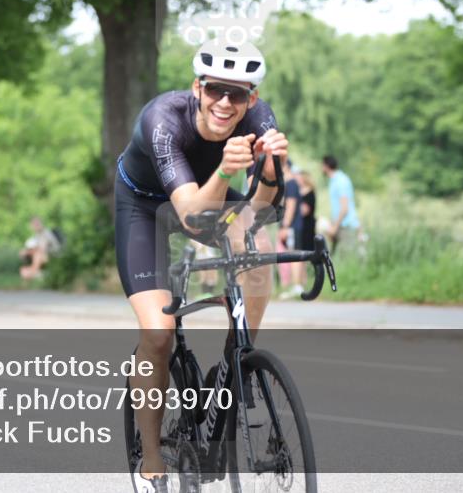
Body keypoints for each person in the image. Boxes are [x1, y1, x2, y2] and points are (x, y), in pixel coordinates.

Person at [116, 38, 287, 492]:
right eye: (215, 90)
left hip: (209, 192)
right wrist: (228, 171)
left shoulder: (259, 118)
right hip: (145, 208)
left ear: (251, 97)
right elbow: (191, 213)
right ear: (197, 88)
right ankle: (152, 460)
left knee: (257, 240)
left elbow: (260, 209)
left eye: (238, 94)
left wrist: (269, 172)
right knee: (158, 333)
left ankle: (238, 356)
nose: (225, 102)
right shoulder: (163, 120)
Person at [321, 155, 365, 254]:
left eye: (322, 165)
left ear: (326, 166)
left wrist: (334, 228)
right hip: (340, 225)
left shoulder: (341, 181)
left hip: (347, 226)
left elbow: (345, 208)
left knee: (348, 259)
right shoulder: (334, 181)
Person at [277, 159, 305, 298]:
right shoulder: (290, 183)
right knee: (294, 253)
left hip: (292, 227)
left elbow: (291, 206)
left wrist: (285, 226)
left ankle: (297, 286)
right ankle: (297, 285)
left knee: (294, 254)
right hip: (293, 226)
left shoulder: (291, 183)